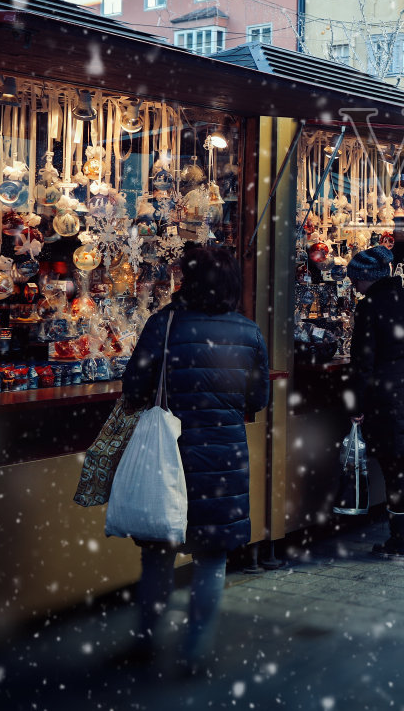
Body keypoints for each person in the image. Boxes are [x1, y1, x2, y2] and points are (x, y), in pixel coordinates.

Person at [119, 244, 269, 670]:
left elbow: (134, 389)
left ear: (186, 278)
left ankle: (145, 642)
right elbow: (256, 399)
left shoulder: (163, 325)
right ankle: (195, 652)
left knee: (157, 554)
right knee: (212, 558)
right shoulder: (248, 331)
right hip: (223, 459)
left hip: (166, 455)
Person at [347, 246, 404, 561]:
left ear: (366, 278)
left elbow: (362, 362)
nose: (354, 286)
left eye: (356, 280)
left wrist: (355, 404)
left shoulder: (369, 308)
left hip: (385, 397)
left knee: (392, 470)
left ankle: (401, 543)